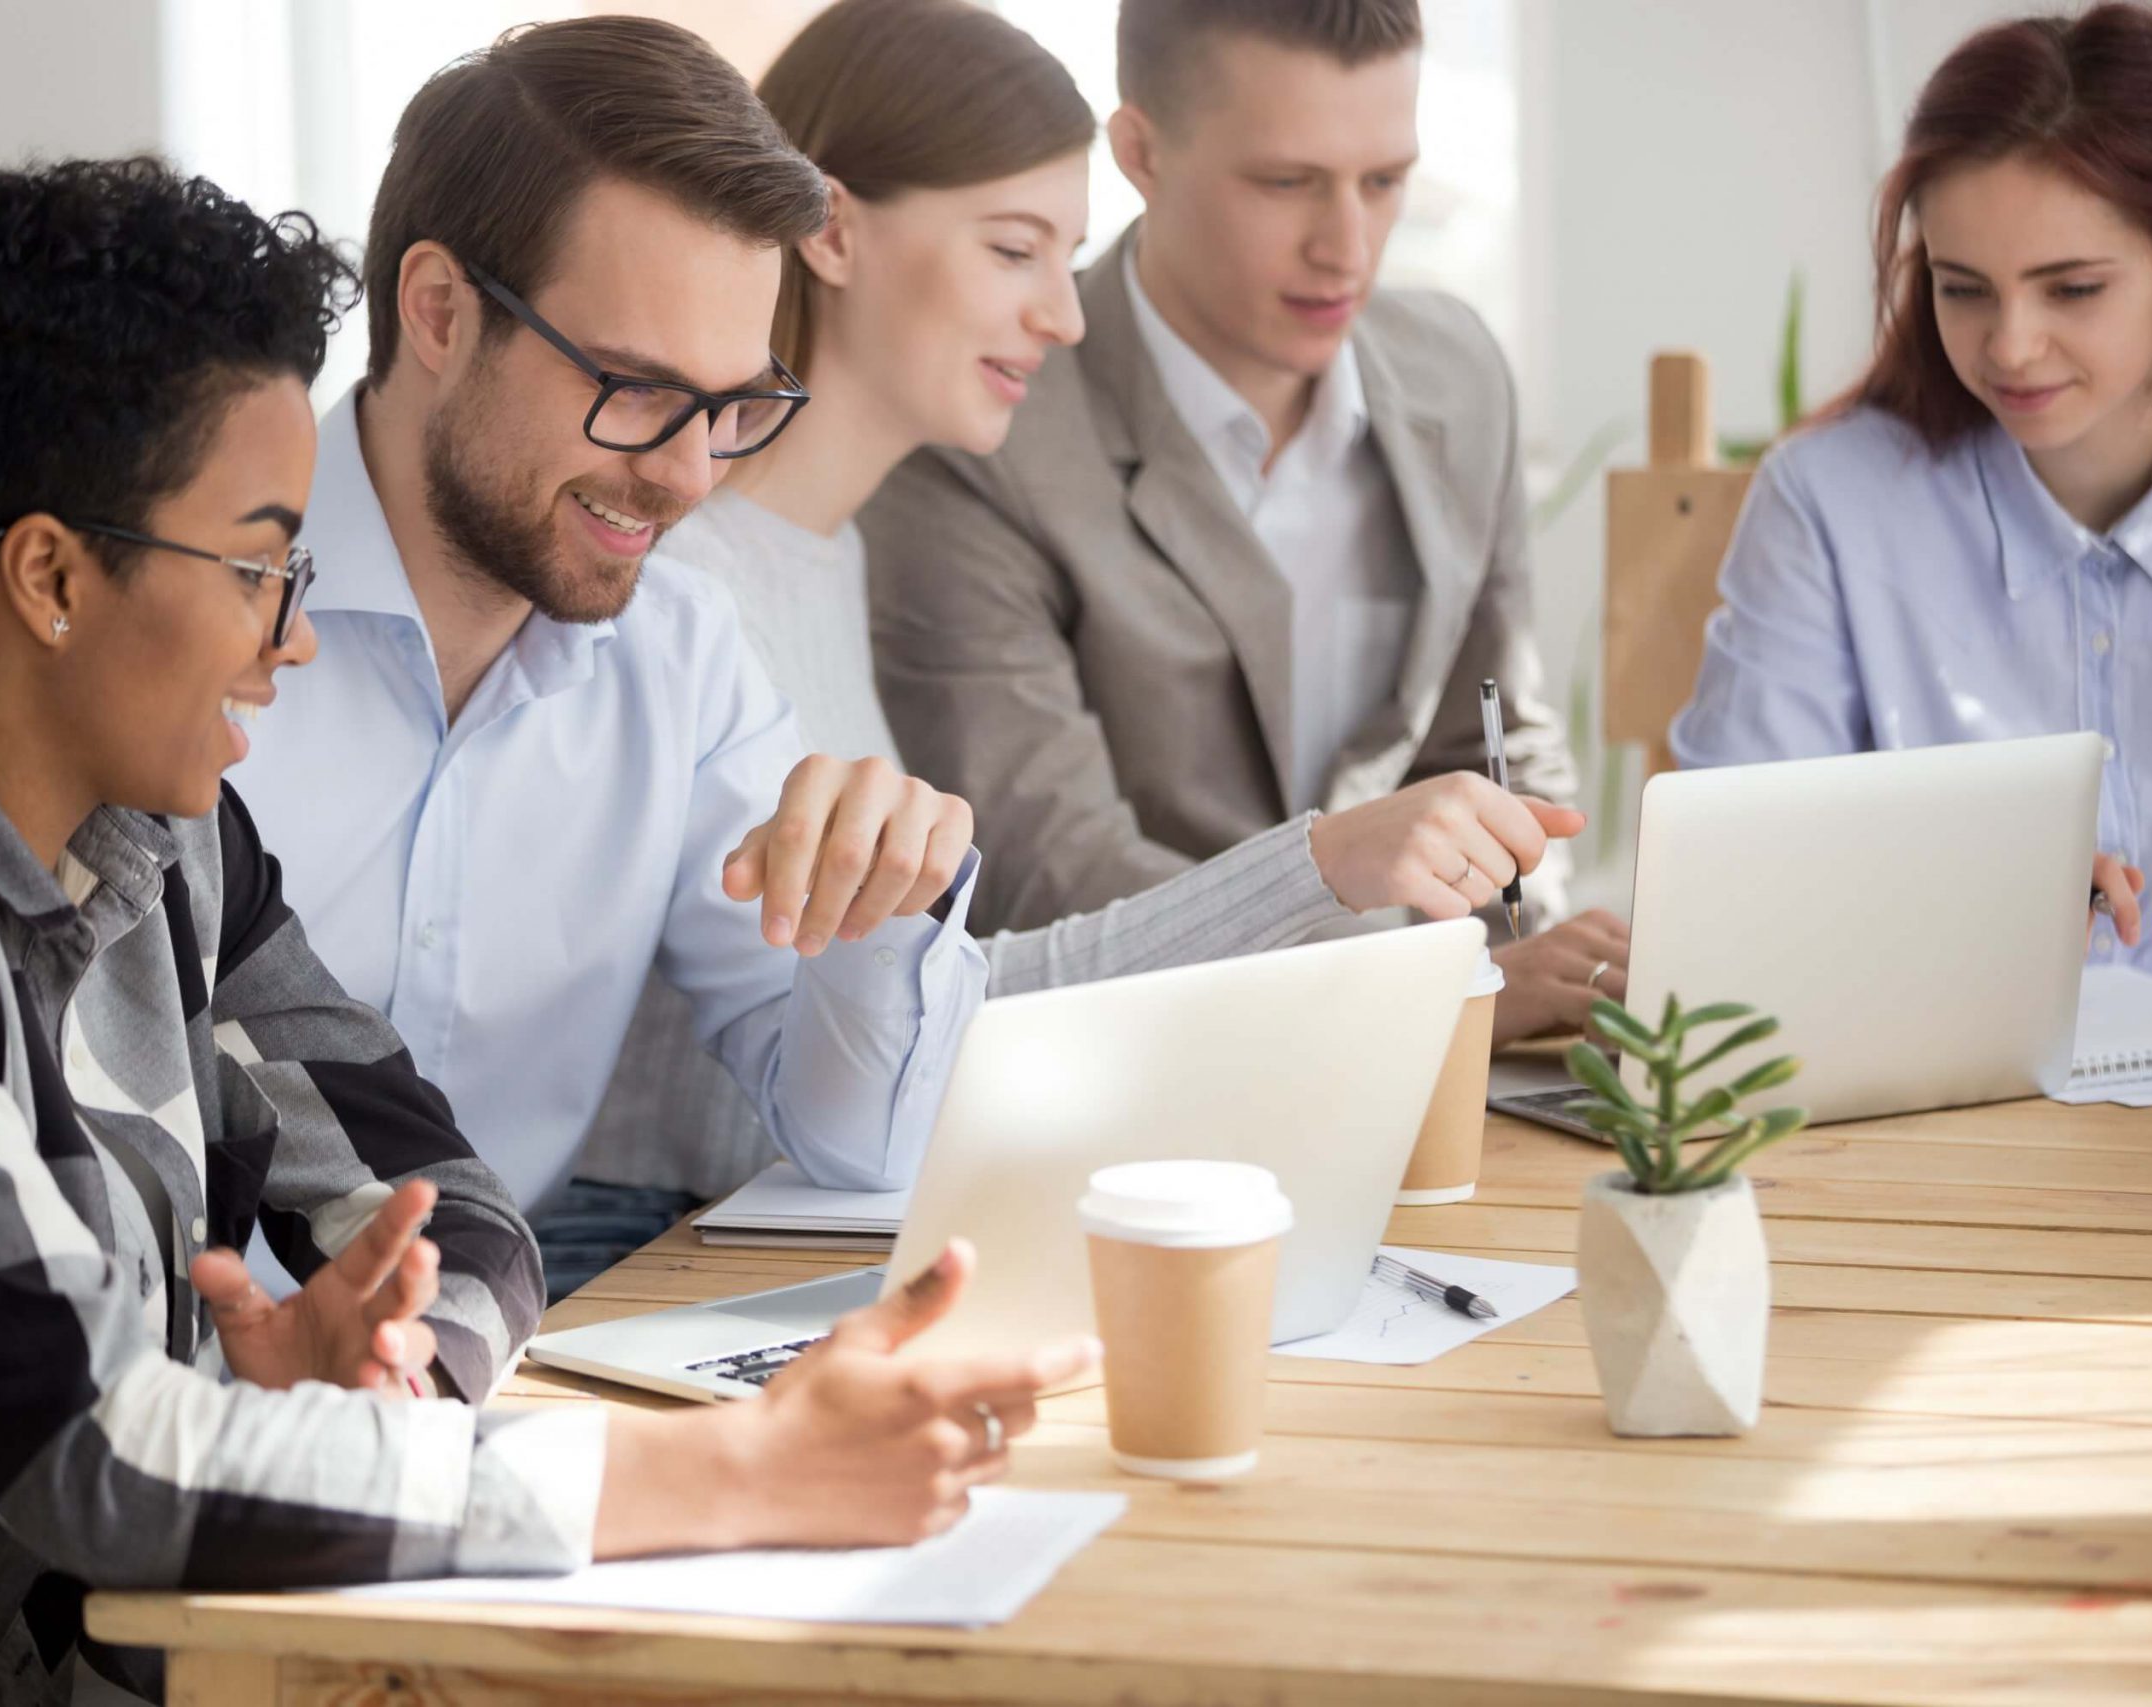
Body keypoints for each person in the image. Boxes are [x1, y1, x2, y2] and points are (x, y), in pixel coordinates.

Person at [0, 157, 1088, 1705]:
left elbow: (456, 1201)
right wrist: (731, 1473)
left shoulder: (165, 834)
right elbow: (98, 1450)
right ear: (49, 573)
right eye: (258, 565)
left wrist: (378, 1389)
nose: (295, 632)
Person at [579, 0, 1589, 1202]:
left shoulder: (835, 553)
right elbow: (932, 1021)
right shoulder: (696, 592)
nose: (1063, 316)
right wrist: (1338, 887)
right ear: (832, 233)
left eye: (1064, 258)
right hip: (673, 1242)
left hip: (843, 1212)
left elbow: (914, 1019)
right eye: (1014, 253)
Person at [226, 17, 992, 1298]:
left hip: (510, 1355)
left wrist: (882, 911)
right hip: (205, 1378)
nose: (690, 475)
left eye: (734, 403)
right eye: (634, 389)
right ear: (438, 312)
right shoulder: (194, 606)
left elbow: (860, 1143)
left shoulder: (678, 654)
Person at [859, 0, 1631, 1050]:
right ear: (1140, 151)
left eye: (1385, 181)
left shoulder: (1458, 374)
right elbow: (1050, 873)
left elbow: (1497, 746)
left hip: (1446, 1061)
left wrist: (1544, 963)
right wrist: (1443, 1001)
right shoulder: (984, 430)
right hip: (1136, 1076)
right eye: (1285, 182)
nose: (1346, 248)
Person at [1671, 2, 2152, 974]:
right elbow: (1729, 889)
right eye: (1962, 286)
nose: (2010, 346)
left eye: (2072, 289)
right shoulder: (1830, 503)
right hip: (1935, 1111)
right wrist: (1967, 896)